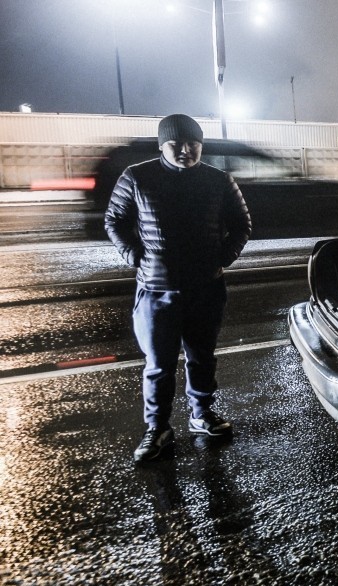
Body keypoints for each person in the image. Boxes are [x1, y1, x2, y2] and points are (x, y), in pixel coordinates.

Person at [105, 113, 252, 464]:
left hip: (206, 288)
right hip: (157, 290)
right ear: (161, 146)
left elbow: (242, 224)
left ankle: (202, 415)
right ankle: (157, 429)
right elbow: (114, 220)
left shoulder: (218, 181)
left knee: (202, 357)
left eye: (193, 144)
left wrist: (223, 258)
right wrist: (135, 256)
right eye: (176, 144)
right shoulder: (138, 177)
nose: (186, 150)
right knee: (159, 364)